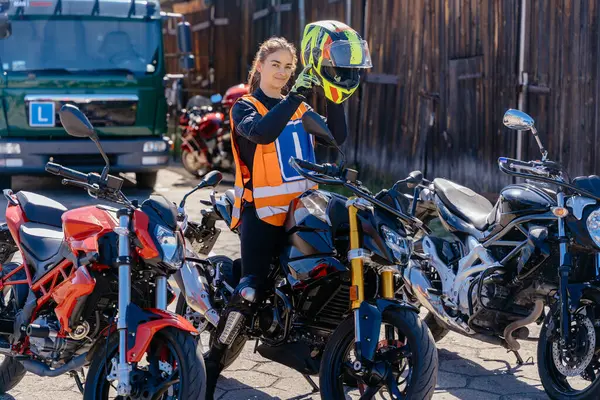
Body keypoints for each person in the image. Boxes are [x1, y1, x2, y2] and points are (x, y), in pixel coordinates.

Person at [205, 22, 372, 399]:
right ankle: (211, 365)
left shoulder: (299, 109)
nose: (282, 72)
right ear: (260, 66)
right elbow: (263, 132)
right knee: (252, 290)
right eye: (275, 64)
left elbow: (336, 137)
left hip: (301, 213)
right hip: (262, 215)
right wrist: (295, 96)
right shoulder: (244, 107)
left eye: (288, 67)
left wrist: (338, 91)